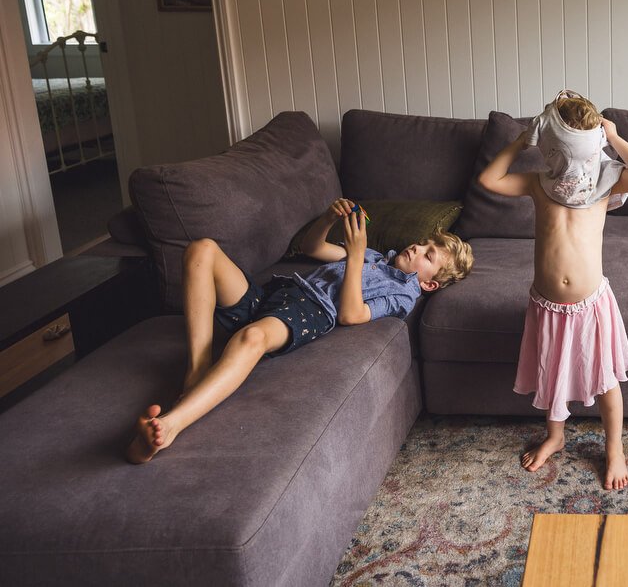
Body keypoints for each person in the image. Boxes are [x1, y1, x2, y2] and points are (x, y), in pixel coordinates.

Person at [126, 198, 474, 464]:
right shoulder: (376, 256)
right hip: (278, 292)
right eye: (425, 243)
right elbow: (313, 248)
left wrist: (354, 257)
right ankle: (197, 371)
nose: (418, 247)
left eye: (429, 256)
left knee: (251, 338)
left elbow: (352, 314)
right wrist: (328, 219)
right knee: (202, 249)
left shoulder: (402, 294)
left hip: (310, 310)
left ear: (428, 285)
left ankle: (171, 426)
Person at [478, 91, 628, 490]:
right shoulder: (539, 185)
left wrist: (614, 136)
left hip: (591, 304)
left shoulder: (606, 182)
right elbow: (488, 180)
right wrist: (523, 140)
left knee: (607, 379)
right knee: (550, 372)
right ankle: (555, 437)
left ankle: (614, 450)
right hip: (547, 304)